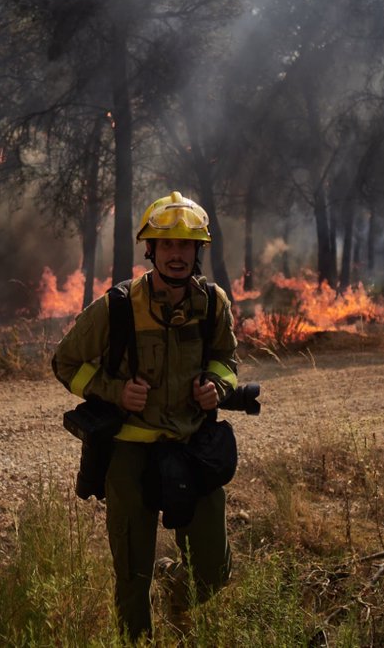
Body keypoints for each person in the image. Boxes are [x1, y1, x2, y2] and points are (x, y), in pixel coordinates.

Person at [52, 190, 239, 642]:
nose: (177, 255)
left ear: (198, 251)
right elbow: (66, 363)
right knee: (132, 582)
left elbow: (226, 360)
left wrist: (218, 387)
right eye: (167, 244)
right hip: (130, 457)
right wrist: (115, 392)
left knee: (213, 572)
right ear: (150, 250)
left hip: (192, 449)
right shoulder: (118, 307)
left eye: (186, 245)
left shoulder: (213, 304)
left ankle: (175, 583)